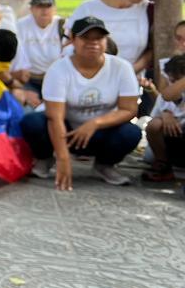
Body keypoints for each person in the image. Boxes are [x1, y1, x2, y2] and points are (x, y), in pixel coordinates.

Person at [21, 17, 142, 189]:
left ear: (106, 40)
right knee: (31, 122)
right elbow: (55, 118)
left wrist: (95, 123)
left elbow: (129, 110)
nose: (93, 43)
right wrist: (63, 159)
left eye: (98, 38)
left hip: (101, 131)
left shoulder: (122, 67)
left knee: (131, 132)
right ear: (72, 39)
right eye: (86, 38)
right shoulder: (58, 69)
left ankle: (104, 165)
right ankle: (45, 158)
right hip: (67, 130)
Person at [65, 0, 158, 77]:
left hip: (130, 78)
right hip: (88, 76)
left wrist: (128, 72)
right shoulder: (88, 8)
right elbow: (68, 44)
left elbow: (152, 49)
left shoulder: (148, 10)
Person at [12, 0, 64, 101]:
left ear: (54, 9)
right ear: (31, 9)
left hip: (57, 80)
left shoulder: (63, 25)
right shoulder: (20, 26)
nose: (44, 11)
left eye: (48, 6)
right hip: (29, 79)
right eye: (39, 6)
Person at [142, 54, 185, 183]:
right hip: (173, 140)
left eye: (176, 80)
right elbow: (165, 97)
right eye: (171, 80)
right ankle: (164, 166)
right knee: (154, 126)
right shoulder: (169, 93)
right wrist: (165, 114)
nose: (173, 84)